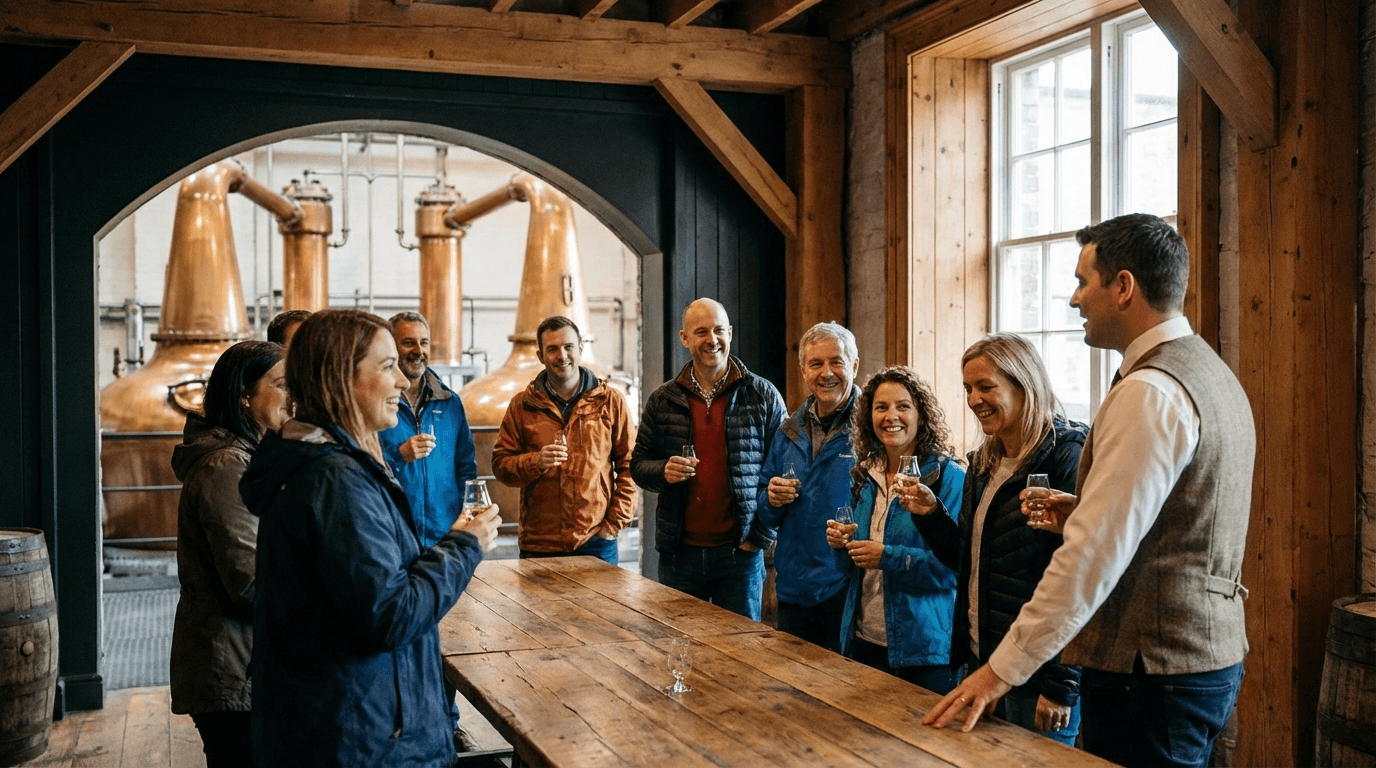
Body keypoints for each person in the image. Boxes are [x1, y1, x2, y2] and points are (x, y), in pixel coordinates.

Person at [925, 214, 1255, 768]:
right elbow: (1179, 518)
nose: (1075, 299)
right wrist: (1080, 511)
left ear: (1123, 287)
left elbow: (1091, 556)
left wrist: (1001, 671)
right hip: (1198, 659)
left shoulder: (1150, 390)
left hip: (1151, 672)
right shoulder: (1206, 372)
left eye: (1083, 281)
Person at [240, 309, 500, 767]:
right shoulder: (335, 482)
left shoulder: (328, 466)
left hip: (350, 722)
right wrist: (465, 545)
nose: (401, 381)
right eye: (386, 366)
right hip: (362, 739)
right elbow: (390, 614)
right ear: (341, 379)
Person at [909, 333, 1087, 744]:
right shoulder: (984, 461)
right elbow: (968, 562)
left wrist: (1061, 684)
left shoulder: (1067, 456)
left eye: (986, 387)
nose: (973, 400)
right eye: (968, 389)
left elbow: (1082, 574)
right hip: (983, 664)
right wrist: (932, 516)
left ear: (1024, 384)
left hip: (1037, 673)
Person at [169, 340, 288, 767]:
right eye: (282, 384)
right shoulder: (227, 466)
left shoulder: (252, 456)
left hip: (245, 664)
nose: (295, 396)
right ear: (244, 394)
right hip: (234, 669)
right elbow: (251, 580)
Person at [631, 297, 786, 620]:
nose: (711, 340)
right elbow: (639, 465)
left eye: (718, 330)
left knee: (740, 652)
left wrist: (758, 538)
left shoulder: (763, 395)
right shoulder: (663, 399)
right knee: (680, 652)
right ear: (685, 338)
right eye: (701, 332)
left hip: (739, 555)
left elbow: (786, 471)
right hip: (679, 555)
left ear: (730, 333)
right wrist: (663, 470)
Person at [827, 366, 964, 693]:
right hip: (863, 639)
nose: (892, 416)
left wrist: (887, 557)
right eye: (881, 407)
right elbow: (847, 569)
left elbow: (952, 570)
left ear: (921, 414)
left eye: (903, 406)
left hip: (925, 650)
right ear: (868, 417)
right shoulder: (863, 475)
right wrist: (839, 545)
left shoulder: (949, 478)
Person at [492, 316, 637, 564]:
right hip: (539, 544)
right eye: (552, 349)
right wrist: (535, 461)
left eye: (568, 346)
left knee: (599, 605)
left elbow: (630, 466)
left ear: (580, 348)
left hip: (595, 542)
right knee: (538, 606)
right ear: (540, 356)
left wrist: (613, 526)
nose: (562, 355)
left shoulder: (610, 401)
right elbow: (501, 466)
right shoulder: (522, 405)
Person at [755, 322, 861, 651]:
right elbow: (765, 513)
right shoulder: (788, 429)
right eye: (816, 364)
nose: (826, 373)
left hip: (847, 589)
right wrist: (771, 498)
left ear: (854, 366)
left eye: (836, 362)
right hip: (793, 589)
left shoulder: (873, 428)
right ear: (803, 370)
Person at [379, 311, 479, 548]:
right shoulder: (376, 403)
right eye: (408, 343)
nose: (418, 350)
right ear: (391, 349)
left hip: (444, 538)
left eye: (423, 342)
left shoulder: (450, 402)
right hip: (393, 537)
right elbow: (361, 469)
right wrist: (399, 456)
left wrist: (468, 524)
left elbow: (466, 469)